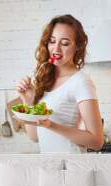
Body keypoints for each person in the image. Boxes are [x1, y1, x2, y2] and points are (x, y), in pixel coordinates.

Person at [16, 14, 103, 153]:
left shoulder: (81, 82)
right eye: (52, 41)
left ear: (77, 47)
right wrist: (28, 101)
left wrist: (51, 125)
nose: (56, 49)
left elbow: (97, 141)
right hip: (49, 166)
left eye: (65, 43)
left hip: (71, 167)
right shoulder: (44, 79)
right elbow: (34, 137)